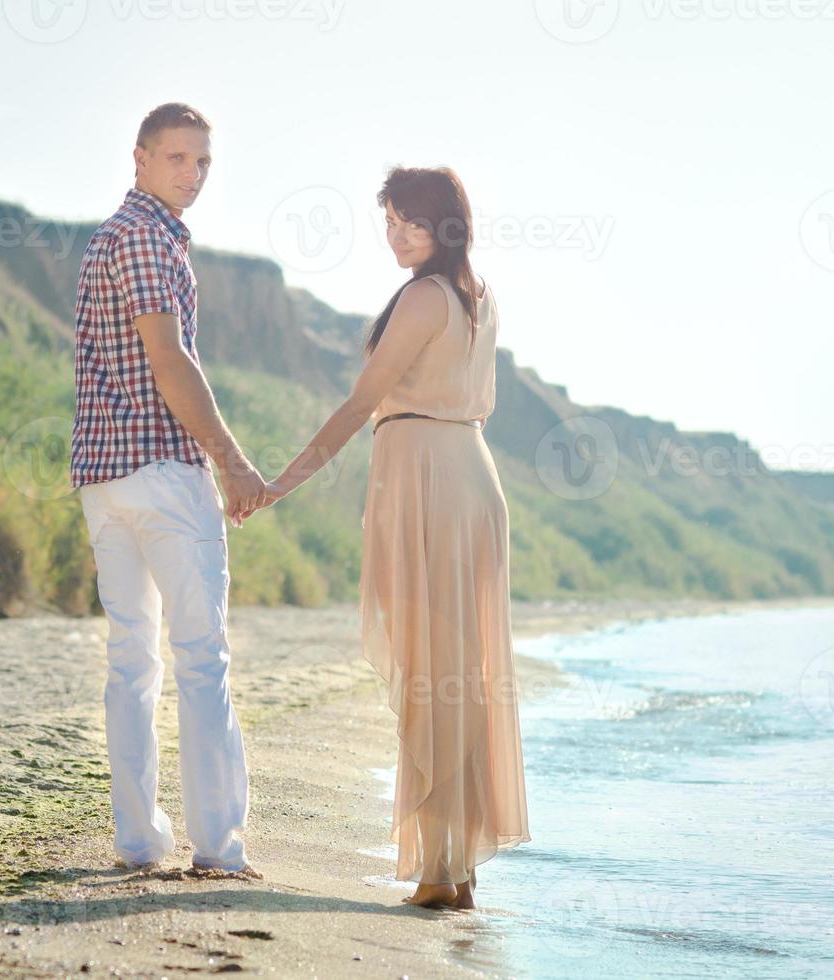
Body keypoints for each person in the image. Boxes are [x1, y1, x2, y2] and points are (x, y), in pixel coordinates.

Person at [244, 165, 530, 908]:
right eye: (391, 221)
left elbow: (359, 404)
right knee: (457, 673)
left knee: (432, 669)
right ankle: (454, 868)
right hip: (466, 474)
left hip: (430, 481)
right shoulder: (478, 296)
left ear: (446, 224)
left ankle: (441, 873)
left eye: (410, 220)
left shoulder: (425, 296)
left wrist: (281, 482)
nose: (396, 234)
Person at [69, 102, 264, 878]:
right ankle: (218, 848)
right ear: (141, 159)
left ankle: (140, 841)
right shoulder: (150, 238)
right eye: (178, 158)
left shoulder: (105, 238)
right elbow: (170, 360)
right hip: (160, 473)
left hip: (102, 479)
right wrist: (232, 461)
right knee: (200, 658)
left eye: (204, 162)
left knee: (130, 660)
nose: (193, 175)